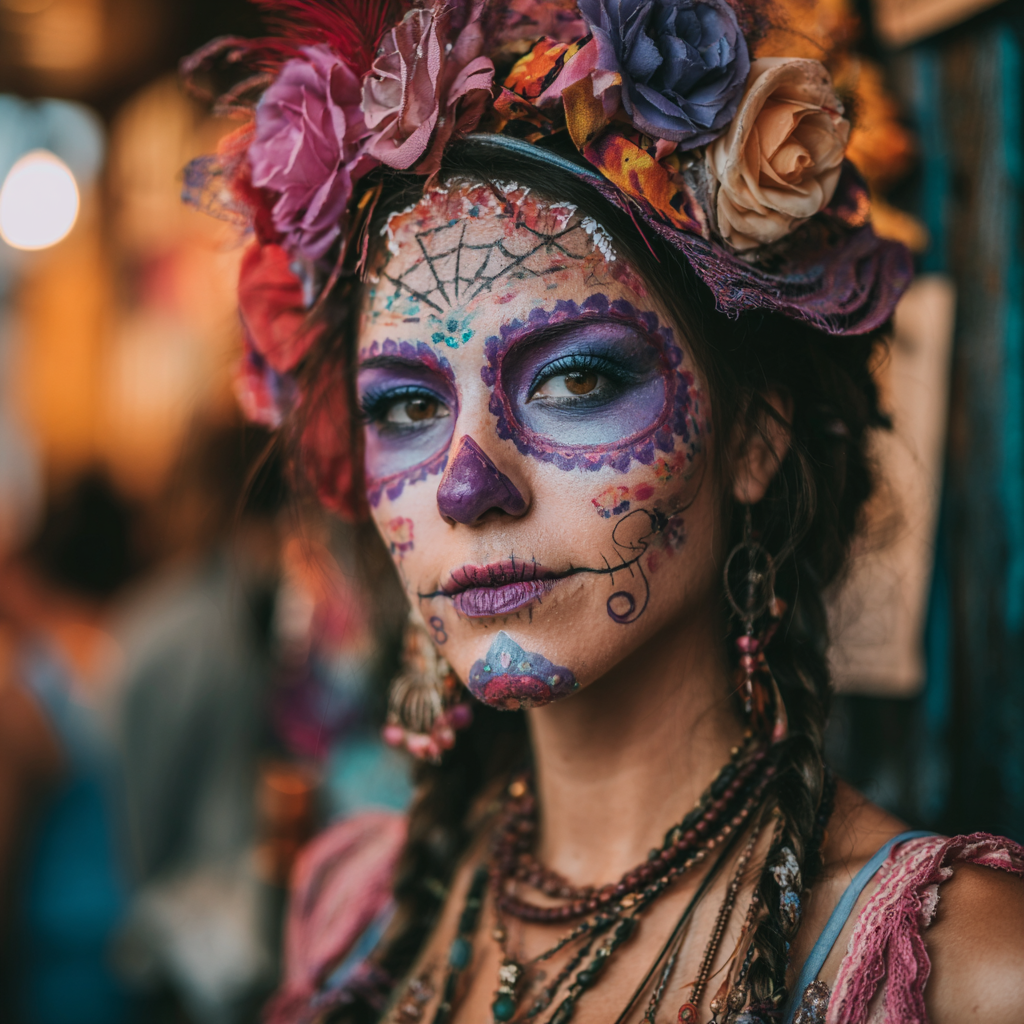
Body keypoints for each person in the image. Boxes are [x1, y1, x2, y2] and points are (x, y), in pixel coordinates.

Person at [182, 2, 1024, 1023]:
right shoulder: (353, 911)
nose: (465, 486)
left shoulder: (963, 972)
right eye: (405, 406)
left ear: (754, 434)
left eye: (575, 380)